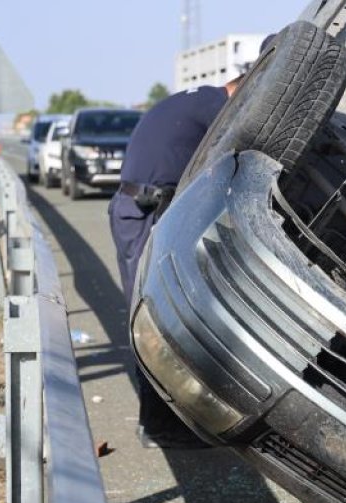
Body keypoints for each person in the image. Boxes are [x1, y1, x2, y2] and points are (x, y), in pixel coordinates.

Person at [108, 78, 241, 449]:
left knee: (165, 316)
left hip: (144, 209)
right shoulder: (216, 108)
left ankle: (169, 421)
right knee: (152, 319)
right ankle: (155, 426)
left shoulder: (197, 99)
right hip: (141, 213)